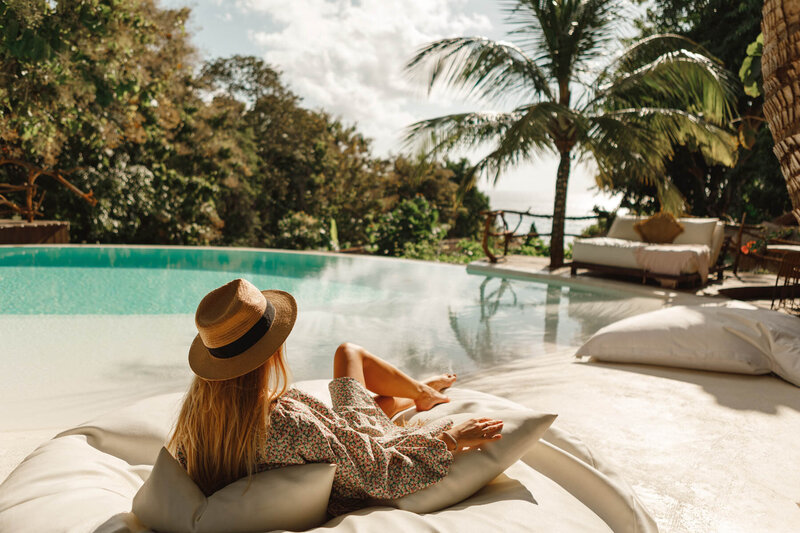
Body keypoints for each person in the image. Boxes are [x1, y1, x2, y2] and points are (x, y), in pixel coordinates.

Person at [168, 278, 503, 515]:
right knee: (349, 353)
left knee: (369, 397)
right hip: (361, 450)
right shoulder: (289, 423)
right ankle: (423, 393)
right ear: (271, 353)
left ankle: (418, 392)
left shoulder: (195, 422)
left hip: (339, 442)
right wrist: (448, 439)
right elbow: (381, 473)